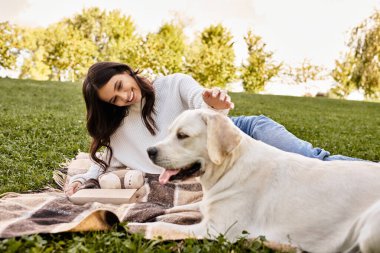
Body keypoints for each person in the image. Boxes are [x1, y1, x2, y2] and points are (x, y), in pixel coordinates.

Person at [64, 61, 360, 196]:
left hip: (245, 132)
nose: (124, 96)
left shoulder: (174, 83)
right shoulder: (119, 128)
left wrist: (212, 102)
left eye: (120, 85)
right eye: (113, 99)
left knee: (313, 161)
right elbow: (105, 159)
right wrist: (84, 180)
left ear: (126, 71)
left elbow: (204, 109)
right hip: (218, 159)